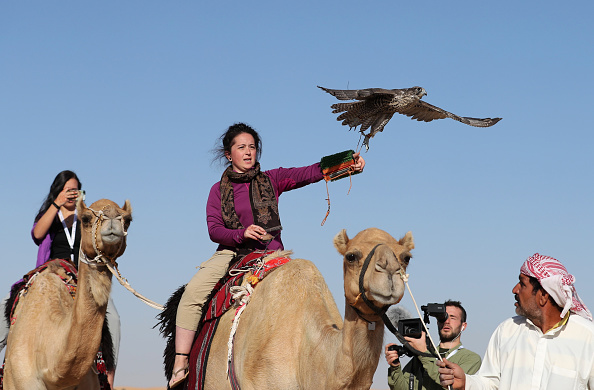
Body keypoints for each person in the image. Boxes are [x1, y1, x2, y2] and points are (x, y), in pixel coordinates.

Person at [169, 122, 366, 387]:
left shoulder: (271, 179)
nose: (248, 152)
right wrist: (241, 234)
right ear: (229, 154)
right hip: (232, 253)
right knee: (192, 295)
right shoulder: (217, 191)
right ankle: (181, 363)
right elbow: (214, 229)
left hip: (272, 254)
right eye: (241, 147)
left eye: (252, 147)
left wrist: (346, 164)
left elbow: (308, 172)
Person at [0, 170, 121, 388]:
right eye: (69, 190)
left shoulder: (86, 218)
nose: (73, 195)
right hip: (50, 273)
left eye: (77, 190)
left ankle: (108, 377)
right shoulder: (50, 216)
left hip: (82, 278)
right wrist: (57, 204)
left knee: (112, 318)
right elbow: (37, 234)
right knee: (6, 310)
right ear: (59, 192)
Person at [438, 253, 594, 389]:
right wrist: (466, 383)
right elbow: (489, 384)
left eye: (522, 284)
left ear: (543, 296)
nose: (515, 289)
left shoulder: (588, 337)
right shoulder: (506, 331)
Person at [385, 300, 481, 390]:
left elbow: (451, 385)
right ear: (437, 322)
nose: (447, 321)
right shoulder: (424, 352)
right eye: (443, 317)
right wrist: (395, 366)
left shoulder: (471, 358)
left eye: (453, 318)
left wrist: (423, 354)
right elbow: (401, 388)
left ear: (463, 326)